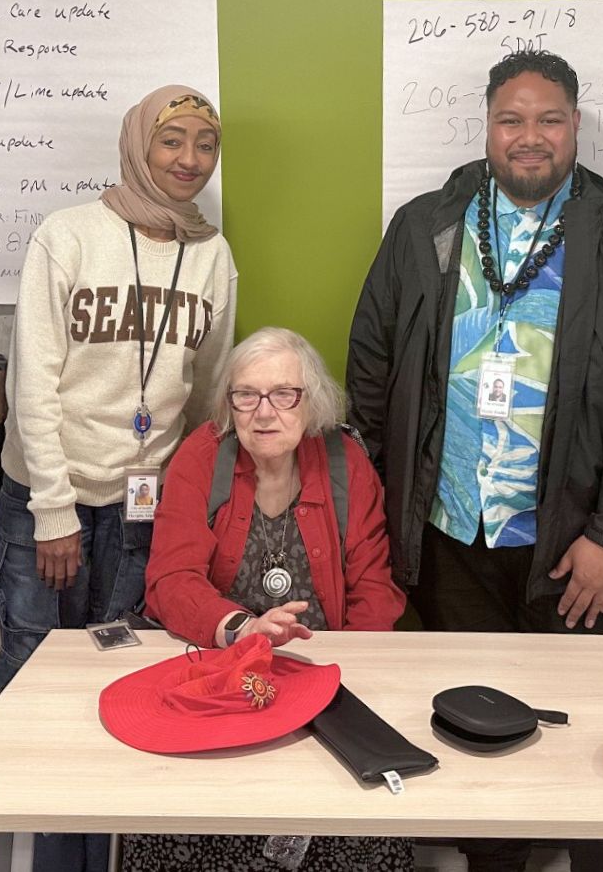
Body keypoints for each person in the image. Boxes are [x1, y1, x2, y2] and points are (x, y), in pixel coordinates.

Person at [346, 49, 603, 872]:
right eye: (512, 119)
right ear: (487, 127)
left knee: (589, 733)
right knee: (472, 729)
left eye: (549, 119)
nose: (530, 137)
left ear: (574, 128)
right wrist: (394, 500)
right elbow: (371, 361)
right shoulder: (426, 225)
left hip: (575, 548)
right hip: (450, 531)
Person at [0, 84, 235, 872]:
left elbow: (207, 388)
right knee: (33, 663)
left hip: (143, 507)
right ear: (138, 145)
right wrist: (53, 509)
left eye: (204, 143)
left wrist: (187, 497)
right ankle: (25, 845)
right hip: (49, 500)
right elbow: (35, 378)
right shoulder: (68, 234)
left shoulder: (213, 253)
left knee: (119, 668)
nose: (189, 159)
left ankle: (98, 846)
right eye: (172, 141)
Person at [126, 326, 410, 872]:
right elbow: (170, 580)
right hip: (225, 670)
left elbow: (375, 591)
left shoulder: (345, 461)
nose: (264, 412)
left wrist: (335, 680)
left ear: (313, 402)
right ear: (228, 403)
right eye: (246, 395)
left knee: (353, 815)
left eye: (285, 394)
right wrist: (241, 628)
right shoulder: (201, 456)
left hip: (323, 676)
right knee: (191, 810)